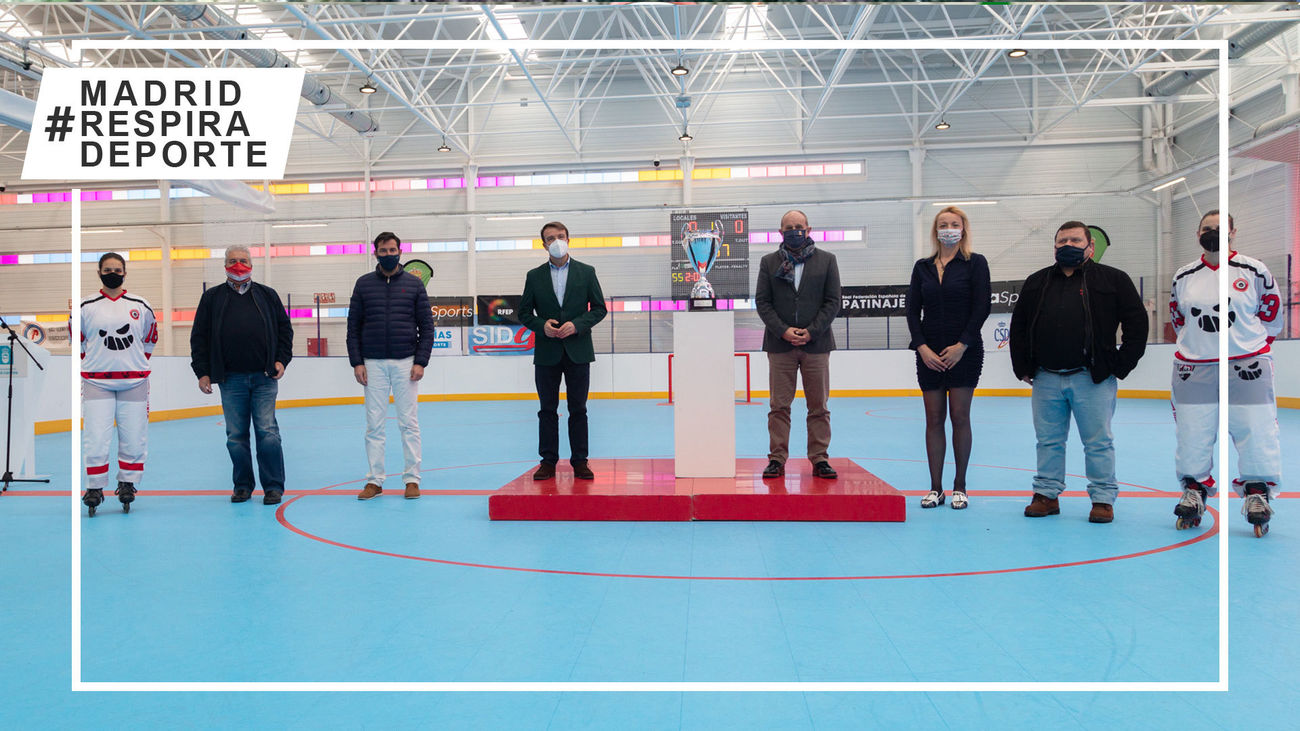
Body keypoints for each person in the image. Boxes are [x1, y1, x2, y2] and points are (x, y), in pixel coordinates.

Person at [1009, 220, 1148, 523]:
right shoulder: (1037, 281)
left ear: (1090, 246)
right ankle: (1046, 495)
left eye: (1075, 240)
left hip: (1092, 378)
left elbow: (1137, 324)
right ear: (1055, 246)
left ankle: (1102, 498)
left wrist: (1120, 366)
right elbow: (1018, 326)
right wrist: (1022, 365)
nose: (1068, 246)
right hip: (1045, 377)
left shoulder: (1113, 280)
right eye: (1062, 241)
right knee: (1048, 440)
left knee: (1098, 441)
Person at [1169, 210, 1283, 537]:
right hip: (1194, 366)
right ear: (1197, 234)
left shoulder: (1254, 269)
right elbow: (1180, 320)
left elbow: (1271, 313)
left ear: (1233, 232)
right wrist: (1200, 348)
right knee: (1192, 433)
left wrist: (1247, 346)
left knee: (1256, 429)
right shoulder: (1184, 276)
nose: (1213, 232)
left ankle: (1257, 492)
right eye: (1207, 228)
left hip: (1247, 362)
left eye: (1220, 228)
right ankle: (1195, 489)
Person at [190, 245, 294, 505]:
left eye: (243, 260)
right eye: (233, 260)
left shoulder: (268, 295)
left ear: (252, 264)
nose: (238, 265)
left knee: (267, 433)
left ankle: (273, 487)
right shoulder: (212, 298)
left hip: (265, 377)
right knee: (235, 436)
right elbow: (199, 337)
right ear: (225, 265)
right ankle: (243, 486)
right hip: (230, 379)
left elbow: (285, 331)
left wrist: (282, 360)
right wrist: (202, 372)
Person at [906, 206, 991, 510]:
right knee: (933, 419)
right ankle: (935, 488)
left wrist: (962, 345)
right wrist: (922, 348)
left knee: (959, 416)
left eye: (954, 224)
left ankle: (960, 486)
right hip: (929, 354)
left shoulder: (975, 264)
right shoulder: (922, 267)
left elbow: (981, 308)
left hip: (964, 354)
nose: (949, 228)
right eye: (943, 224)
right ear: (936, 230)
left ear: (963, 229)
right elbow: (912, 311)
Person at [755, 210, 842, 479]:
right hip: (780, 346)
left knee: (819, 406)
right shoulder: (768, 263)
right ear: (780, 232)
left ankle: (819, 459)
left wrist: (811, 331)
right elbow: (762, 302)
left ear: (809, 229)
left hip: (816, 345)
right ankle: (777, 459)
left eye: (799, 226)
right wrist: (783, 331)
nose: (795, 230)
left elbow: (833, 301)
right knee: (778, 406)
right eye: (789, 227)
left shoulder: (827, 261)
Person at [348, 232, 434, 500]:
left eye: (392, 250)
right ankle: (374, 481)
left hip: (406, 363)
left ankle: (412, 479)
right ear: (376, 253)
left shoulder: (414, 284)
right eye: (383, 251)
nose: (388, 254)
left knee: (409, 423)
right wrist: (357, 362)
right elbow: (353, 327)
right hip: (372, 364)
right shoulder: (363, 285)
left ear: (400, 251)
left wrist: (420, 361)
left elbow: (427, 327)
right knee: (374, 425)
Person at [518, 221, 608, 481]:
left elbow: (599, 308)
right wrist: (541, 326)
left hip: (578, 351)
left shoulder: (587, 272)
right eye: (550, 238)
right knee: (547, 409)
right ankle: (548, 461)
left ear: (569, 239)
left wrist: (577, 325)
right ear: (543, 244)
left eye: (560, 236)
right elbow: (524, 312)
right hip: (547, 352)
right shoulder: (533, 276)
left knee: (578, 409)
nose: (556, 241)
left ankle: (580, 461)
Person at [79, 252, 157, 515]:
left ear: (125, 272)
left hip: (134, 382)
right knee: (96, 437)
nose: (112, 272)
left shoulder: (141, 305)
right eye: (107, 268)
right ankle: (94, 486)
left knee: (134, 436)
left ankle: (128, 483)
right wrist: (99, 365)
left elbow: (149, 340)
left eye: (117, 269)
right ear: (99, 272)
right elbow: (79, 342)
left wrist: (131, 364)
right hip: (96, 382)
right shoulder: (85, 306)